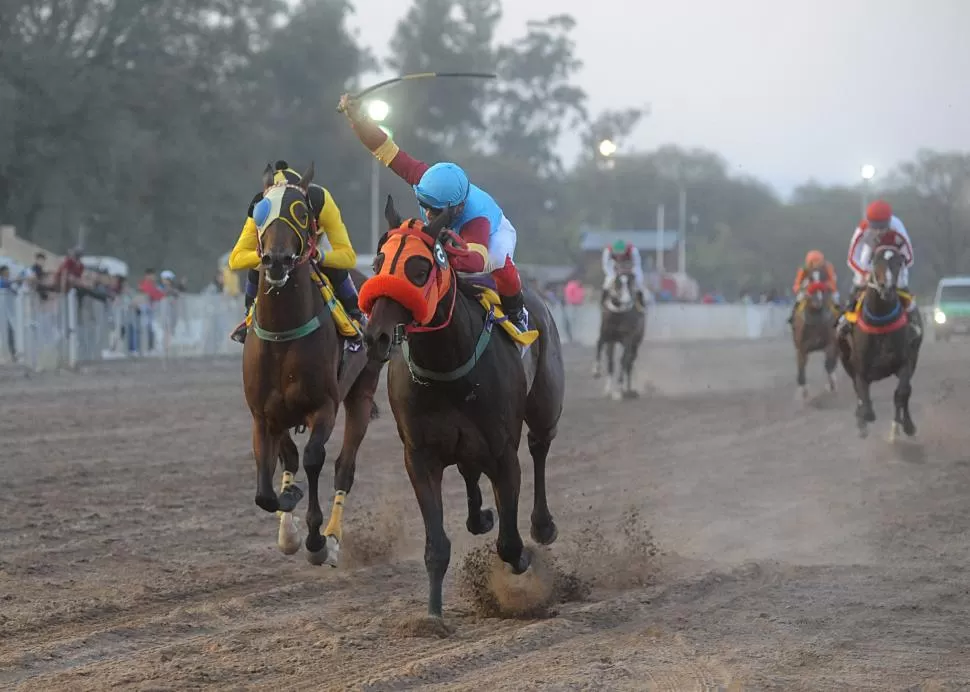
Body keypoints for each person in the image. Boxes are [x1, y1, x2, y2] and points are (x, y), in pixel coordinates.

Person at [337, 94, 530, 333]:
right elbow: (383, 148)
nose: (428, 213)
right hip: (454, 233)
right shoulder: (423, 179)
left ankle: (517, 312)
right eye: (424, 205)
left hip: (492, 233)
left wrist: (447, 251)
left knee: (500, 263)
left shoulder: (476, 220)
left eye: (435, 211)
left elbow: (477, 261)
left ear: (458, 207)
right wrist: (357, 118)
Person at [228, 160, 364, 344]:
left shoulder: (320, 199)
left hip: (308, 251)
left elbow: (348, 257)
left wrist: (318, 255)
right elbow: (236, 259)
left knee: (334, 266)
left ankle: (356, 317)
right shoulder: (261, 204)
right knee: (258, 264)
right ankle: (249, 318)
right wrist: (262, 256)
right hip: (277, 254)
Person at [839, 199, 915, 332]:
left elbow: (909, 257)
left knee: (901, 283)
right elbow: (852, 258)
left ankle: (912, 318)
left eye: (882, 227)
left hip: (894, 252)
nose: (879, 231)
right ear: (869, 222)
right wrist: (864, 273)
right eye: (876, 227)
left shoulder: (897, 227)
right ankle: (847, 316)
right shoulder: (862, 228)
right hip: (871, 251)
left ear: (889, 221)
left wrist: (895, 271)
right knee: (859, 281)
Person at [788, 250, 838, 323]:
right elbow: (797, 284)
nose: (816, 264)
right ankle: (793, 315)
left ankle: (839, 315)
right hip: (808, 290)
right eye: (814, 262)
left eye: (818, 262)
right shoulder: (803, 269)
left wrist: (827, 286)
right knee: (800, 297)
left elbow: (833, 281)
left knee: (836, 297)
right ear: (809, 263)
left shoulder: (828, 267)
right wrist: (803, 289)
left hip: (825, 289)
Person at [601, 240, 646, 307]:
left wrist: (631, 272)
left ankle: (641, 303)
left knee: (638, 282)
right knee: (607, 282)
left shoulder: (633, 250)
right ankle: (603, 302)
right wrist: (613, 275)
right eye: (617, 254)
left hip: (629, 265)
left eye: (621, 254)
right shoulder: (607, 251)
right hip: (615, 266)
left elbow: (637, 265)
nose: (619, 256)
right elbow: (606, 265)